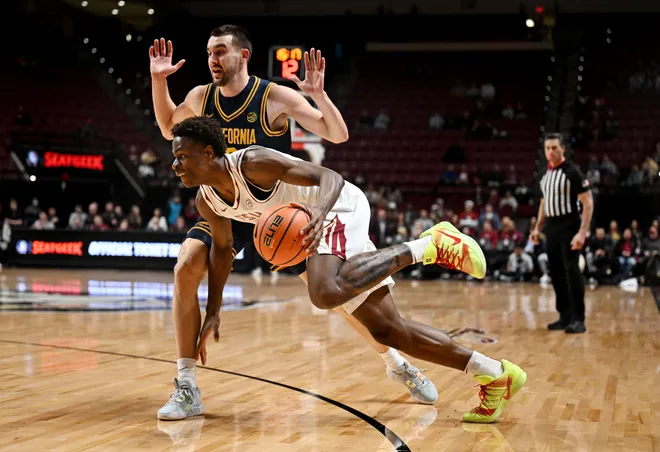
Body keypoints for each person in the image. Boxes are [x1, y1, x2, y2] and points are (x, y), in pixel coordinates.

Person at [150, 26, 437, 419]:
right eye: (209, 53)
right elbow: (169, 129)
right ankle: (186, 385)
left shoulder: (272, 96)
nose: (213, 60)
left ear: (243, 56)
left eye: (220, 52)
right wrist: (158, 81)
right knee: (185, 266)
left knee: (342, 303)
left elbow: (337, 134)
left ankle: (396, 364)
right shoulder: (201, 96)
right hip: (226, 205)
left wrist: (318, 95)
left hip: (278, 214)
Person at [170, 116, 527, 423]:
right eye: (174, 158)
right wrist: (214, 310)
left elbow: (330, 177)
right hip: (313, 228)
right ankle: (495, 375)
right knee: (389, 330)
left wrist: (319, 215)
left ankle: (429, 245)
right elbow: (222, 250)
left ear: (208, 153)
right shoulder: (207, 200)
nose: (176, 165)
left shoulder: (252, 163)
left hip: (335, 206)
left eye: (182, 156)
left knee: (323, 293)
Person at [530, 133, 594, 334]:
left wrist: (582, 232)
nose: (551, 151)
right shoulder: (545, 174)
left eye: (554, 147)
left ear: (562, 148)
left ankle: (579, 318)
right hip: (551, 227)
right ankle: (564, 316)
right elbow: (543, 203)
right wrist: (537, 228)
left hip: (570, 225)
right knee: (556, 272)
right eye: (548, 148)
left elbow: (588, 202)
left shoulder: (572, 172)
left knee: (572, 272)